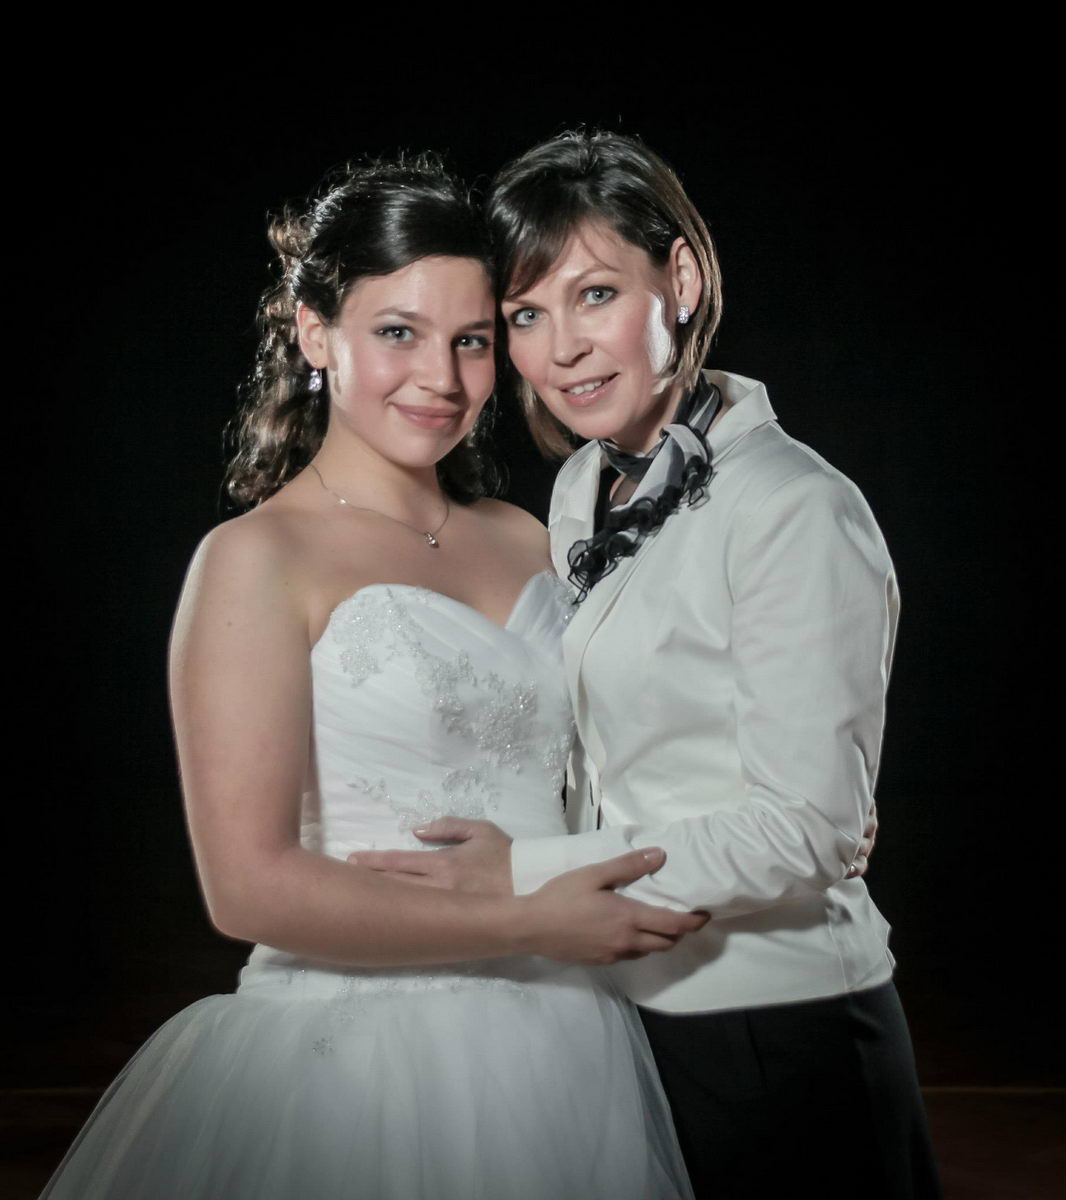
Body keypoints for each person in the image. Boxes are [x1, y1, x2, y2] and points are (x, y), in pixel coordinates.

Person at [40, 155, 707, 1200]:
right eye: (398, 331)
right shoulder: (256, 558)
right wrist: (527, 920)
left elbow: (614, 754)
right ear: (315, 333)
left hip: (567, 1040)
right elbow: (246, 886)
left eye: (472, 340)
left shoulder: (529, 536)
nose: (441, 378)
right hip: (356, 1057)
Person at [350, 132, 942, 1199]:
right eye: (527, 315)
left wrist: (526, 873)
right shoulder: (582, 487)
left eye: (595, 295)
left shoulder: (797, 508)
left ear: (682, 278)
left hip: (776, 1025)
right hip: (616, 1019)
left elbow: (806, 830)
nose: (563, 350)